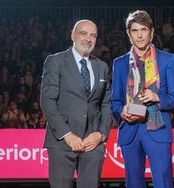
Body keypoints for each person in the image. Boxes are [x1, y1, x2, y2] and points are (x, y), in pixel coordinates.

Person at [111, 10, 174, 188]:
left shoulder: (167, 60)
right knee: (133, 184)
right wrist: (121, 111)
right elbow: (114, 101)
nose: (139, 35)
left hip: (157, 130)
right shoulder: (120, 63)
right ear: (129, 34)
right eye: (135, 30)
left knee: (163, 183)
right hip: (130, 132)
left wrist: (157, 98)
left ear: (151, 32)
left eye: (143, 30)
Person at [40, 19, 112, 188]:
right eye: (83, 33)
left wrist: (101, 134)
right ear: (73, 35)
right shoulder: (55, 61)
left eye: (93, 35)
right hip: (62, 142)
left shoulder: (101, 66)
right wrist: (67, 135)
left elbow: (106, 104)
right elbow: (47, 101)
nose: (88, 39)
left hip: (92, 144)